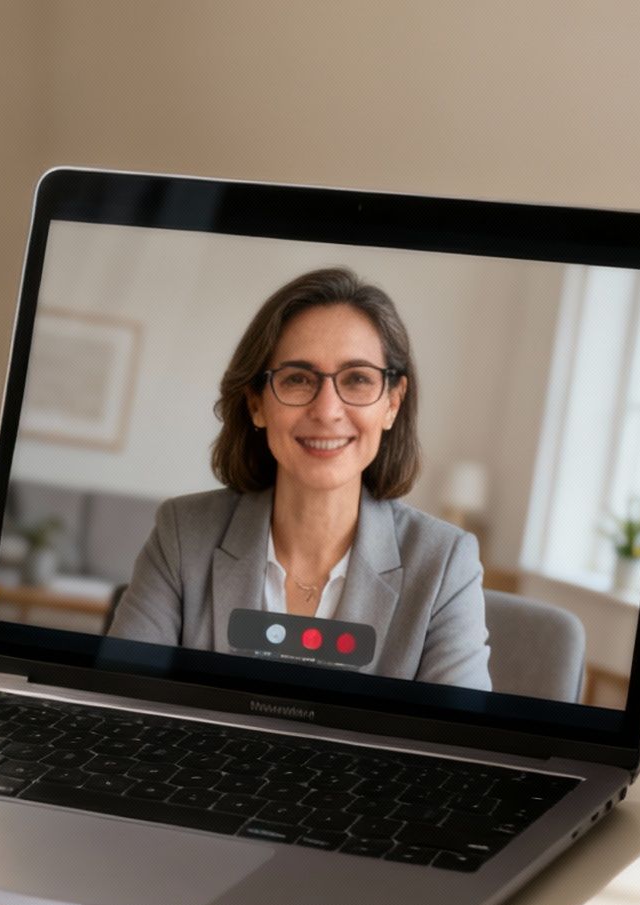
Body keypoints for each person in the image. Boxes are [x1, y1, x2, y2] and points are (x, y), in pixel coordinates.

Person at [107, 267, 492, 690]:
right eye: (297, 379)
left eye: (358, 379)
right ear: (256, 403)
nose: (327, 411)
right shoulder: (183, 534)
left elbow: (454, 749)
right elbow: (122, 701)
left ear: (392, 404)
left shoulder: (445, 563)